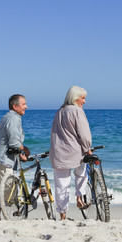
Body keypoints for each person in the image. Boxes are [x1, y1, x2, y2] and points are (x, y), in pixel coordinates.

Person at [49, 85, 92, 220]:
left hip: (58, 152)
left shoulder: (59, 112)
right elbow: (84, 133)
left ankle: (63, 214)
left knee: (61, 184)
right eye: (83, 98)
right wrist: (88, 147)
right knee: (81, 174)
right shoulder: (77, 111)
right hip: (75, 151)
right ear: (75, 98)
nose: (84, 101)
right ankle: (79, 197)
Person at [0, 94, 30, 221]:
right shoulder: (13, 119)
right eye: (23, 104)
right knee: (5, 191)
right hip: (4, 160)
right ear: (15, 106)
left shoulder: (7, 117)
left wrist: (20, 155)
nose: (26, 107)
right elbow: (14, 143)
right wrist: (25, 150)